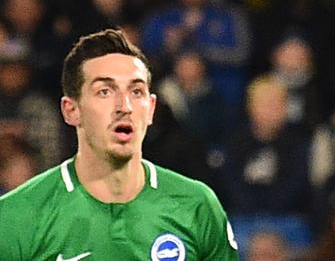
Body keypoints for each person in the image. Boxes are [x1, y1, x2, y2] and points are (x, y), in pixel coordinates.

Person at [0, 29, 239, 259]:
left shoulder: (196, 205)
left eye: (136, 91)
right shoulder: (16, 216)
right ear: (71, 110)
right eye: (104, 91)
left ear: (151, 109)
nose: (124, 106)